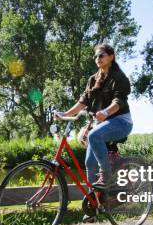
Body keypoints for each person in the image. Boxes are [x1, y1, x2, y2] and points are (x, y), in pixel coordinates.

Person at [55, 42, 133, 190]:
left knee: (93, 136)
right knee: (89, 164)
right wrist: (65, 114)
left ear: (111, 57)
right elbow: (83, 102)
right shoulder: (93, 79)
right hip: (101, 124)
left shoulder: (119, 77)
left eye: (101, 55)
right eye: (95, 56)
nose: (98, 58)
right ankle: (95, 203)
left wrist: (106, 112)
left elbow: (119, 101)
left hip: (121, 122)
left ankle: (106, 173)